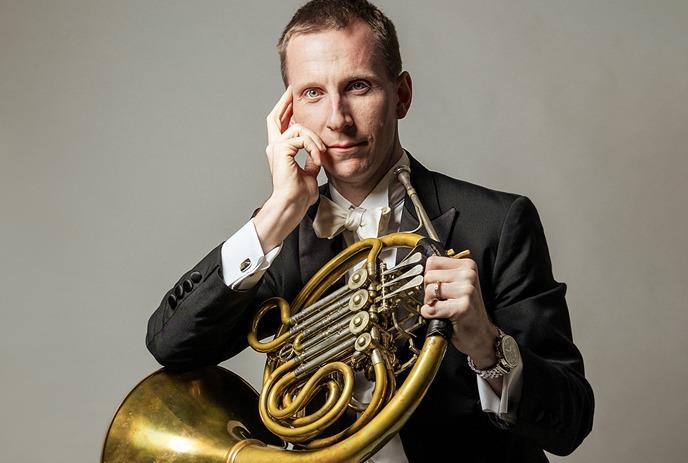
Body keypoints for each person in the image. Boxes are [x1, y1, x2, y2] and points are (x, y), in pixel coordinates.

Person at [145, 1, 594, 461]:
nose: (337, 119)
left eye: (358, 87)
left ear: (401, 95)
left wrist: (486, 343)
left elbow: (571, 422)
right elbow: (171, 343)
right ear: (289, 114)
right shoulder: (279, 234)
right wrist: (277, 213)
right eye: (313, 94)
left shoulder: (497, 223)